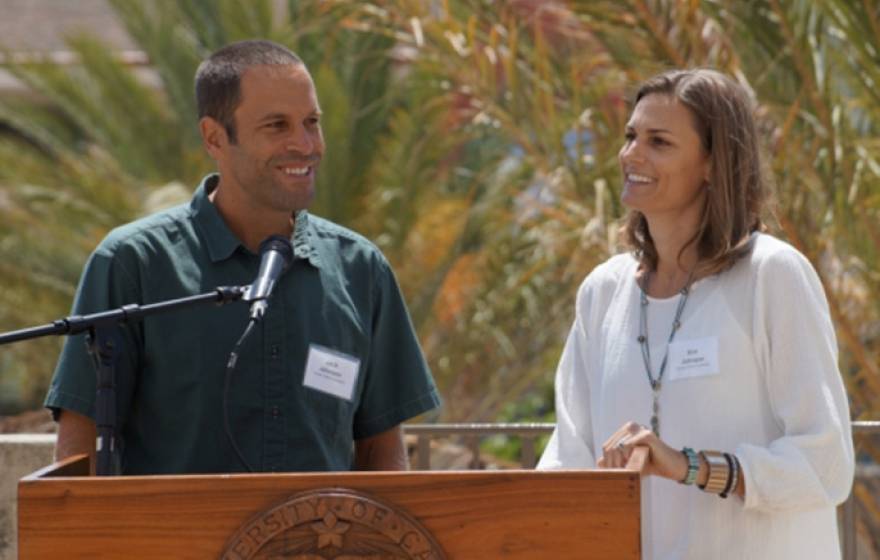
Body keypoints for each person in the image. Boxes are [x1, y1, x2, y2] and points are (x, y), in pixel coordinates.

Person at [45, 39, 440, 475]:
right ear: (214, 137)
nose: (305, 144)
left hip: (325, 525)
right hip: (177, 525)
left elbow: (383, 452)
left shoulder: (361, 269)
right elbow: (79, 452)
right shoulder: (132, 263)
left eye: (311, 122)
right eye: (276, 126)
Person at [537, 69, 854, 559]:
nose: (631, 155)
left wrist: (689, 466)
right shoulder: (602, 292)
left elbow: (826, 462)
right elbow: (567, 460)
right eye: (631, 136)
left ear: (713, 163)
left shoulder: (773, 274)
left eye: (659, 142)